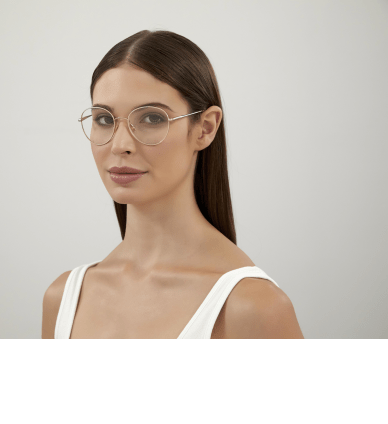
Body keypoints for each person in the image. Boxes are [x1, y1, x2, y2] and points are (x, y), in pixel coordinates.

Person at [42, 30, 304, 339]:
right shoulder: (63, 298)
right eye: (104, 119)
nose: (120, 145)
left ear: (205, 129)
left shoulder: (253, 307)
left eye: (152, 118)